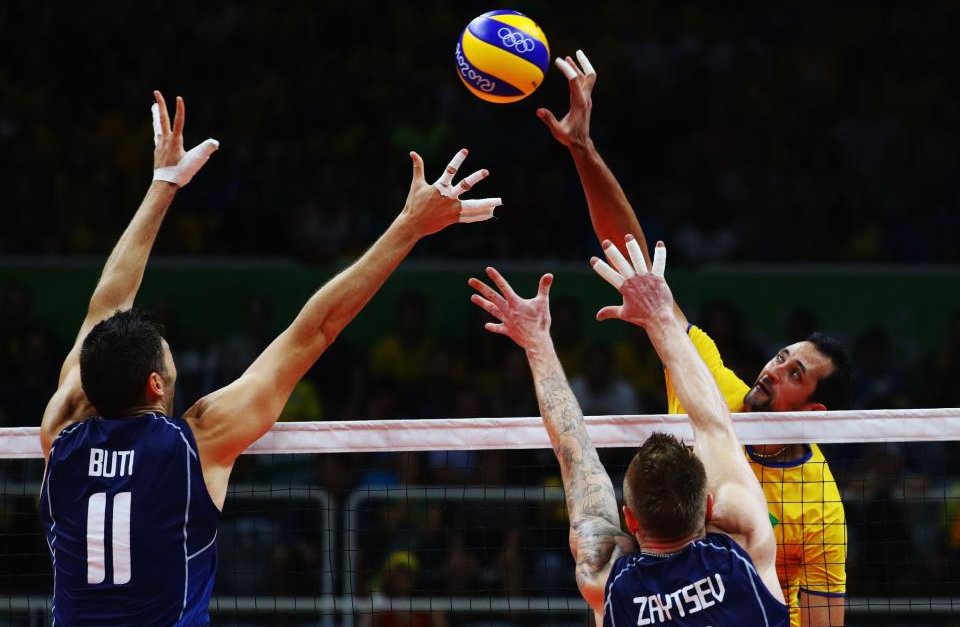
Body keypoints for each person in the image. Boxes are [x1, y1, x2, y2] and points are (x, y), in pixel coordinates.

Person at [39, 91, 502, 626]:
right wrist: (409, 227)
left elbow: (105, 306)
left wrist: (162, 186)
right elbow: (316, 330)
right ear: (155, 386)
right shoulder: (199, 443)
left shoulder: (60, 433)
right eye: (168, 361)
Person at [539, 50, 850, 626]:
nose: (771, 371)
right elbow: (633, 260)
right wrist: (583, 150)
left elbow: (826, 617)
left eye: (793, 376)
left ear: (816, 411)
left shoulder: (822, 508)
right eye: (781, 358)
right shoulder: (712, 385)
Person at [468, 242, 788, 626]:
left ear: (629, 520)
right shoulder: (745, 541)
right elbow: (713, 424)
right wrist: (660, 317)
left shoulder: (606, 581)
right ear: (707, 506)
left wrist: (537, 344)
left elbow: (576, 453)